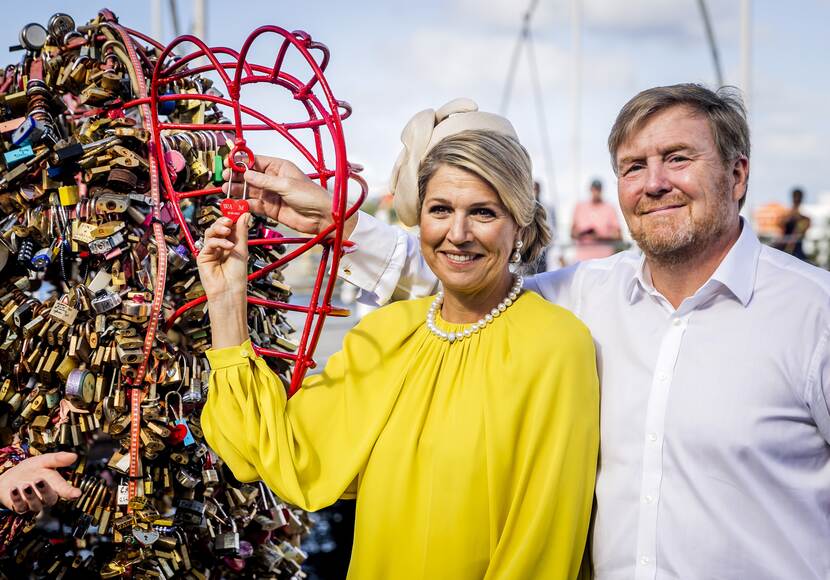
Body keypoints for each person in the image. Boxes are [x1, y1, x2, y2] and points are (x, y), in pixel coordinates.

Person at [233, 83, 830, 579]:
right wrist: (333, 217)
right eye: (633, 166)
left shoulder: (814, 316)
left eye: (678, 158)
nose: (654, 183)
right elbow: (457, 281)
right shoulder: (582, 297)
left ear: (738, 173)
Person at [198, 100, 599, 579]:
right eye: (441, 210)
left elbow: (543, 540)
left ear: (520, 225)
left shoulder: (556, 345)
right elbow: (277, 452)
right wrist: (226, 299)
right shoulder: (386, 334)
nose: (458, 233)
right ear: (419, 219)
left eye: (484, 212)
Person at [570, 179, 622, 261]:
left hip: (605, 260)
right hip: (582, 260)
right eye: (594, 189)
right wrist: (584, 234)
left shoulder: (609, 208)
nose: (596, 192)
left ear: (601, 190)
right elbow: (572, 234)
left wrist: (599, 237)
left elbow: (618, 235)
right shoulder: (579, 207)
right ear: (590, 190)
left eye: (598, 189)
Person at [777, 186, 811, 260]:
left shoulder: (804, 219)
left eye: (798, 197)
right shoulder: (787, 216)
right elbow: (779, 225)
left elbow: (803, 232)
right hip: (784, 248)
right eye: (795, 197)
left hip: (796, 249)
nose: (796, 199)